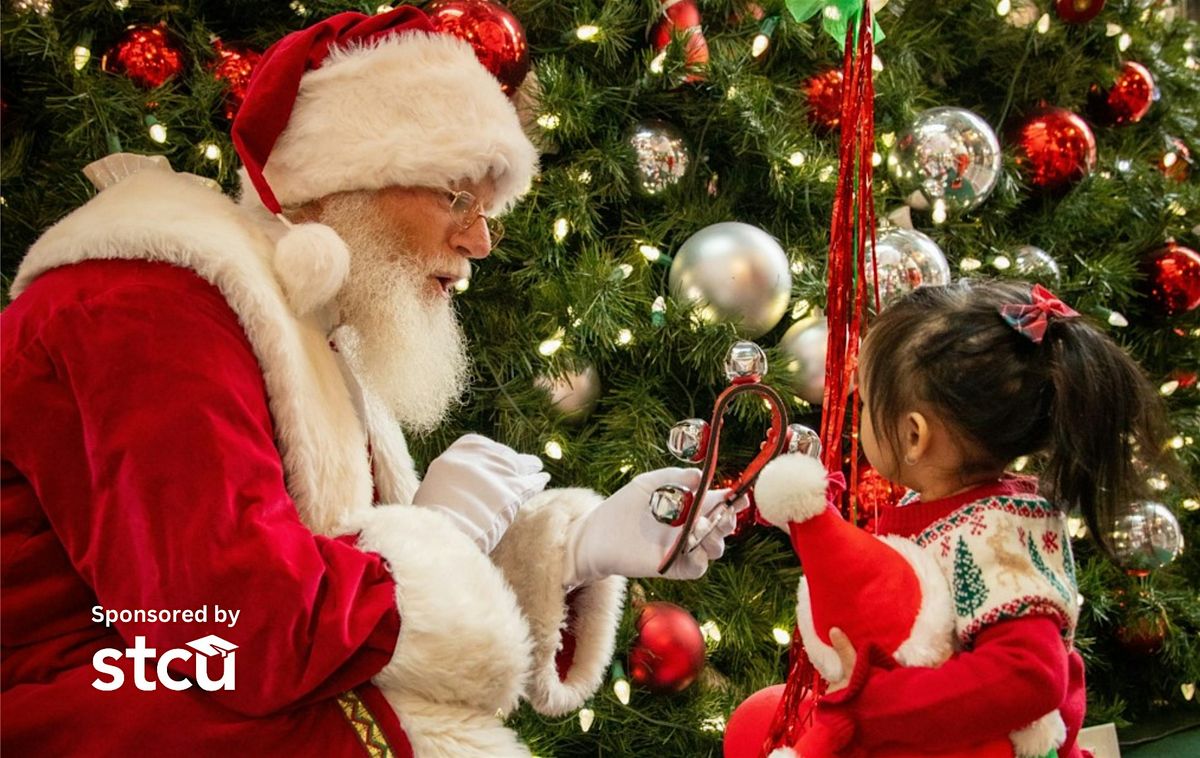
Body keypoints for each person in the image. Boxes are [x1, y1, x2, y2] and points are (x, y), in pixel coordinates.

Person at [0, 7, 739, 757]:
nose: (480, 240)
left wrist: (578, 549)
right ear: (337, 184)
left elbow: (339, 598)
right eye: (456, 196)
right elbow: (233, 631)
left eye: (489, 211)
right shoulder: (146, 306)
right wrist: (439, 537)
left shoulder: (292, 323)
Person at [750, 280, 1172, 757]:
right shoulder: (950, 508)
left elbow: (1029, 675)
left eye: (865, 402)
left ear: (913, 435)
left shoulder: (995, 536)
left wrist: (876, 705)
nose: (857, 413)